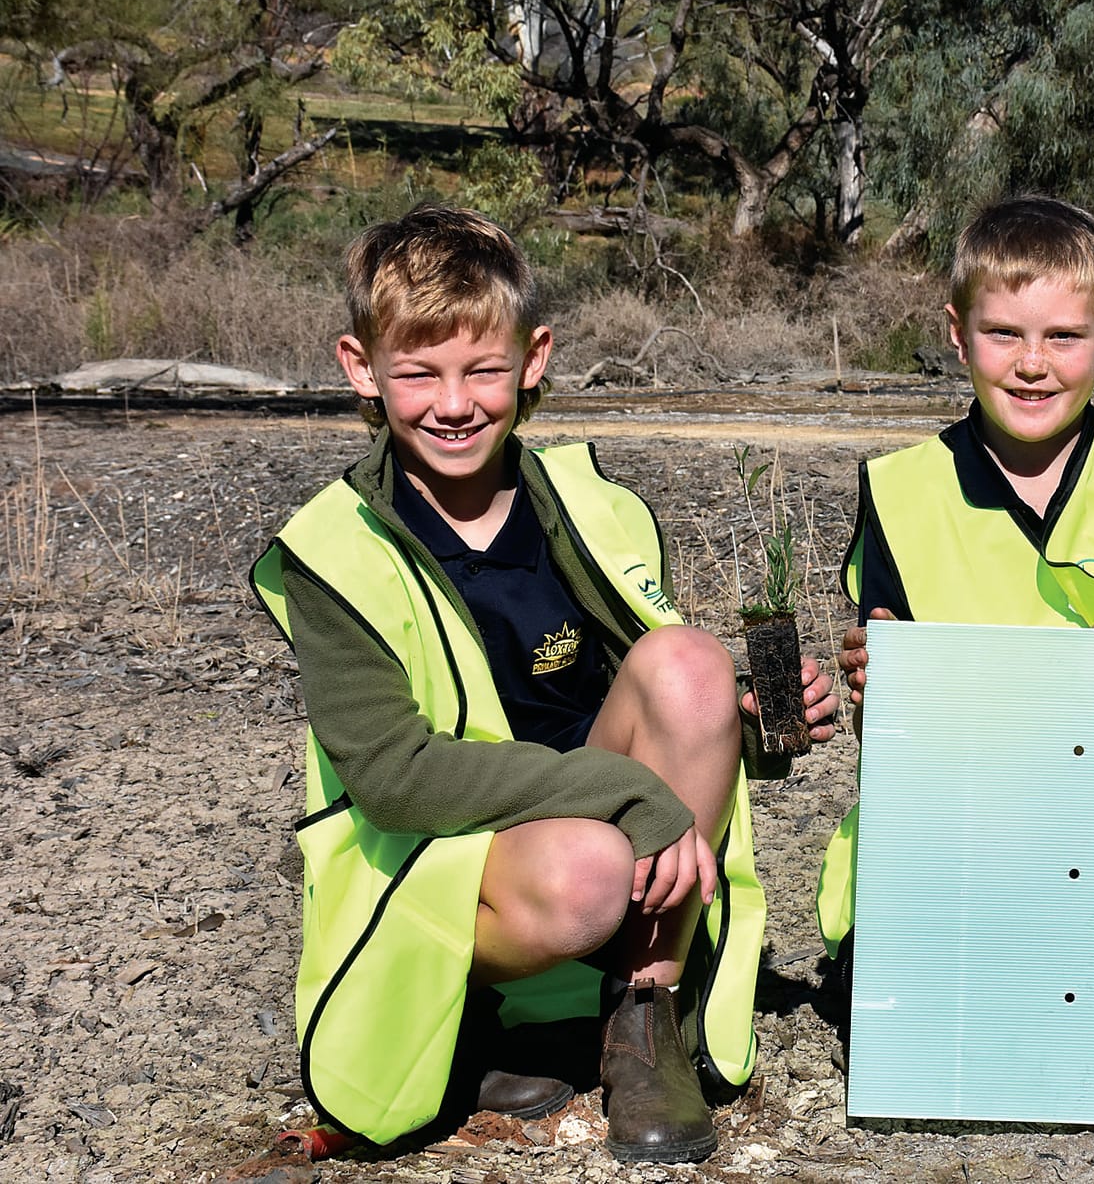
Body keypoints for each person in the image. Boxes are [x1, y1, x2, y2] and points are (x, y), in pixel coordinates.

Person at [250, 205, 836, 1163]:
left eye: (483, 369)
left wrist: (766, 727)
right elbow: (398, 777)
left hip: (596, 828)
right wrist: (627, 796)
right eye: (418, 373)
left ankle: (644, 1020)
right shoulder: (330, 551)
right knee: (588, 870)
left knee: (691, 659)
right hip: (443, 868)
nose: (454, 402)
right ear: (362, 369)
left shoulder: (590, 505)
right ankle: (464, 1026)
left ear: (535, 359)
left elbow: (663, 719)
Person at [821, 195, 1094, 1041]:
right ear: (957, 334)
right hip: (962, 820)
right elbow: (887, 725)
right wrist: (877, 695)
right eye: (1003, 334)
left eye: (1063, 337)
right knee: (924, 1024)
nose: (1033, 364)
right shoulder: (899, 490)